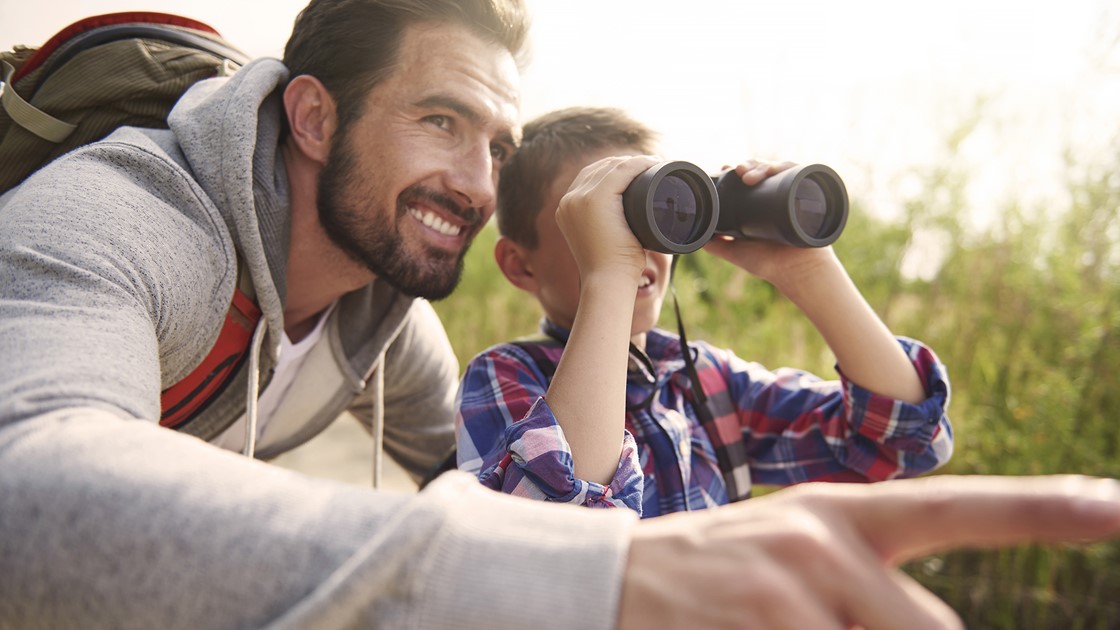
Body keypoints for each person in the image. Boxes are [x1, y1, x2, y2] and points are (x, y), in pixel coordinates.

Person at [0, 1, 1118, 628]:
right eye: (439, 121)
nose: (479, 185)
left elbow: (897, 435)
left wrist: (805, 272)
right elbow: (24, 476)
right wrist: (597, 578)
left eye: (495, 145)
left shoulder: (385, 327)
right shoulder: (127, 219)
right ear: (310, 117)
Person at [456, 107, 954, 516]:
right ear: (520, 266)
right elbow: (549, 536)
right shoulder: (504, 378)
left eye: (652, 211)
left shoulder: (705, 383)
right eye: (606, 220)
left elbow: (907, 444)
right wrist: (608, 276)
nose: (637, 247)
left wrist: (809, 273)